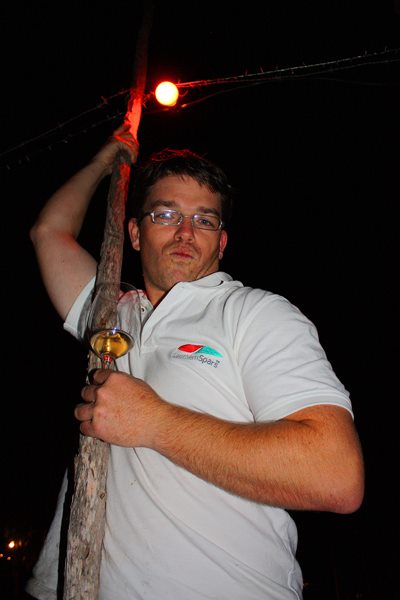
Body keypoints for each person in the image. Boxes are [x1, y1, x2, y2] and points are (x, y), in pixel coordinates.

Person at [26, 124, 364, 600]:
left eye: (204, 220)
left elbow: (335, 475)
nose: (185, 232)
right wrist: (106, 161)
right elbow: (49, 233)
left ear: (221, 243)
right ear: (135, 233)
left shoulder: (253, 312)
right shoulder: (111, 317)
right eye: (165, 214)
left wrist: (156, 422)